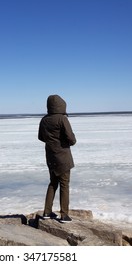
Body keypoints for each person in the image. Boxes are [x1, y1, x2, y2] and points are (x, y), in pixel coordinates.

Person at [38, 94, 76, 222]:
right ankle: (64, 215)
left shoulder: (44, 120)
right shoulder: (62, 119)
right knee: (64, 185)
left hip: (50, 156)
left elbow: (40, 137)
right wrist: (66, 142)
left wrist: (51, 141)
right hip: (63, 157)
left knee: (53, 183)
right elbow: (71, 139)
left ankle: (47, 212)